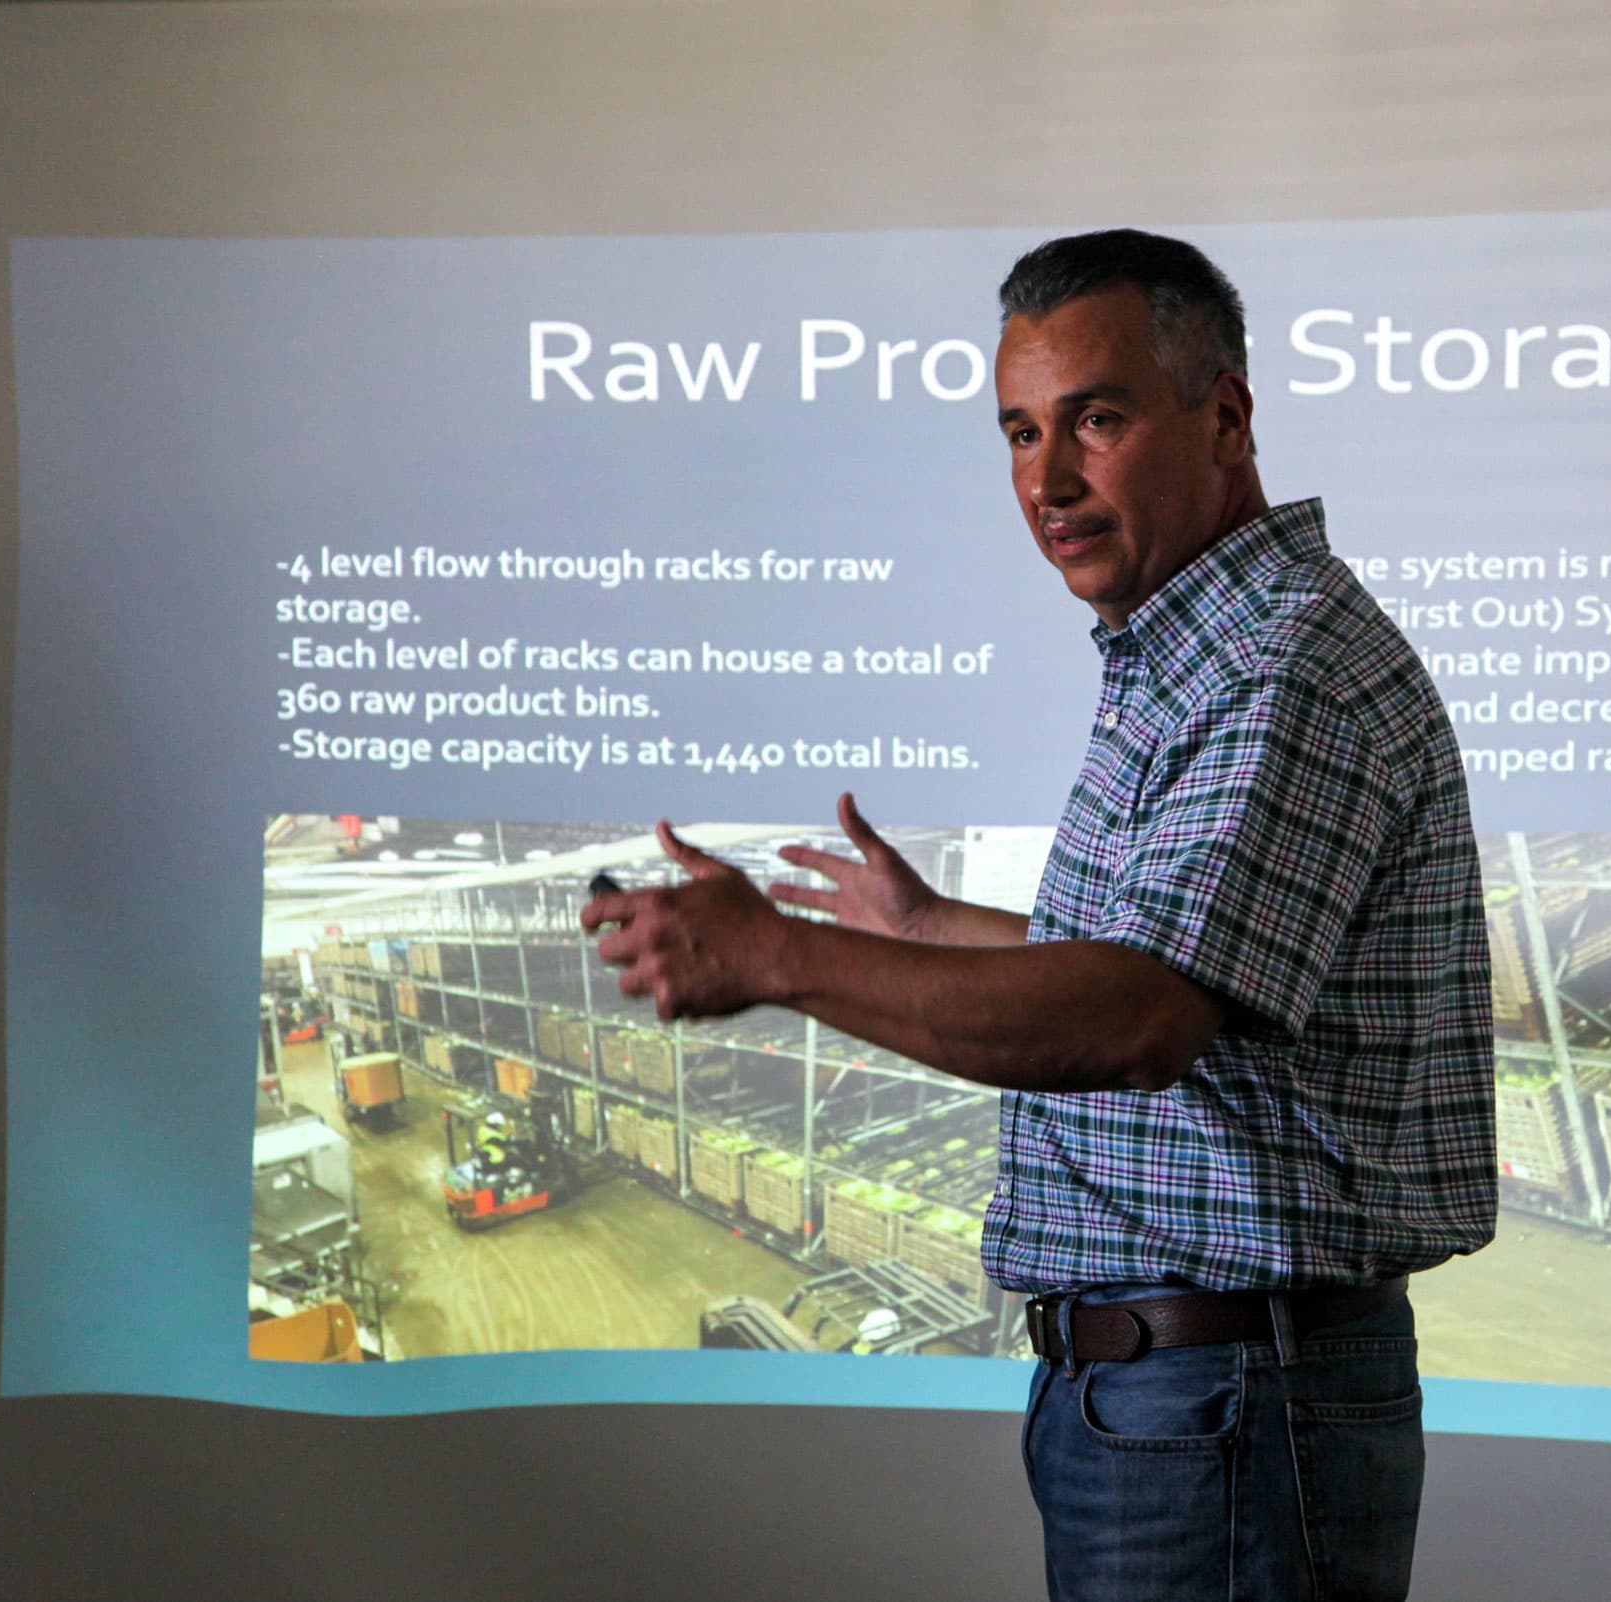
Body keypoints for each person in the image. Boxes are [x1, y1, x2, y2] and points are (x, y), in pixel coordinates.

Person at [583, 228, 1496, 1601]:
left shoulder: (1276, 667)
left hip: (1225, 1402)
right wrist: (927, 923)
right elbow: (1168, 963)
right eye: (1018, 432)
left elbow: (1137, 1013)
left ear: (1227, 418)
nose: (1045, 481)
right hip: (1185, 1397)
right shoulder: (1197, 652)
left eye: (1098, 421)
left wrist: (776, 953)